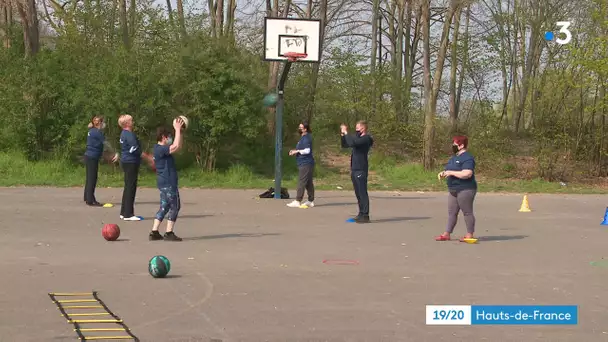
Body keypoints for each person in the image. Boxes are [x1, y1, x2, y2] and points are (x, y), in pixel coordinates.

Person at [435, 135, 478, 241]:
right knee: (452, 213)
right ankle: (447, 233)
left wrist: (451, 172)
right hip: (453, 189)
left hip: (465, 189)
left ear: (461, 145)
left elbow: (467, 173)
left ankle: (469, 234)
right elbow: (448, 170)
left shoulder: (468, 157)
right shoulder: (454, 158)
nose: (452, 146)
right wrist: (443, 173)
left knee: (467, 212)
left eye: (454, 144)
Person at [149, 119, 185, 241]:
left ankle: (154, 231)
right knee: (175, 206)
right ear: (164, 137)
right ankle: (169, 232)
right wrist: (177, 129)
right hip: (168, 182)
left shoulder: (159, 149)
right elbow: (174, 147)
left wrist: (181, 133)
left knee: (164, 206)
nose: (170, 139)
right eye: (169, 137)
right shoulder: (161, 149)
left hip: (163, 182)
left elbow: (177, 146)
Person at [341, 121, 374, 223]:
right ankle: (360, 213)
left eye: (358, 128)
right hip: (354, 168)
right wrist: (343, 134)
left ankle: (365, 215)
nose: (356, 130)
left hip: (361, 168)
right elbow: (345, 144)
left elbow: (352, 142)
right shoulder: (358, 138)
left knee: (362, 192)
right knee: (358, 192)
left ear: (363, 128)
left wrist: (346, 132)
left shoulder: (366, 139)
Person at [84, 115, 117, 206]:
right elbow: (106, 143)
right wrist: (114, 152)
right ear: (100, 123)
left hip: (89, 156)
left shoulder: (92, 131)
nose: (104, 124)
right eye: (103, 122)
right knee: (92, 178)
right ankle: (90, 200)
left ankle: (87, 196)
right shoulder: (98, 133)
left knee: (89, 177)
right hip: (92, 157)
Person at [118, 114, 142, 221]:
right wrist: (143, 155)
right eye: (131, 120)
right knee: (131, 187)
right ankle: (128, 214)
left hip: (125, 161)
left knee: (127, 186)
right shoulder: (129, 134)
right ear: (127, 123)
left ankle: (123, 212)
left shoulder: (123, 134)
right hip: (131, 162)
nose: (133, 122)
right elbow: (134, 148)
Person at [286, 121, 315, 208]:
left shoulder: (306, 138)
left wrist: (296, 151)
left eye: (301, 128)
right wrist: (295, 151)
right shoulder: (303, 138)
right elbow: (302, 149)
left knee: (301, 182)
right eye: (299, 127)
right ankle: (310, 200)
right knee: (308, 182)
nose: (299, 129)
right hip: (306, 163)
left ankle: (298, 200)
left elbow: (307, 151)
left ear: (305, 129)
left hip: (306, 163)